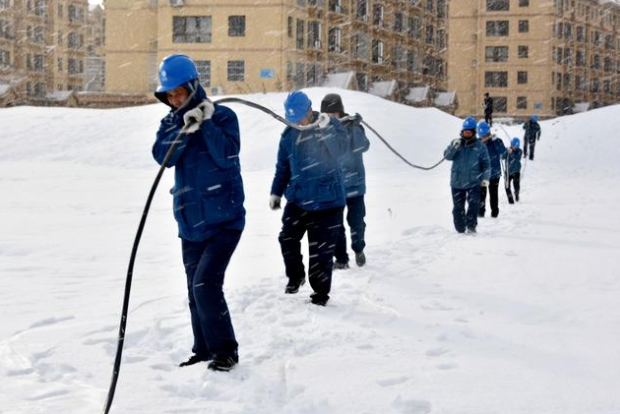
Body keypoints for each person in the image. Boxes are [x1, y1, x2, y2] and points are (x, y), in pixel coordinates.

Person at [152, 54, 244, 372]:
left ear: (193, 87)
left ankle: (225, 352)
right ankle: (203, 350)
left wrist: (205, 124)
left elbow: (227, 155)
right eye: (170, 95)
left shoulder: (223, 117)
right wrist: (183, 127)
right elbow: (162, 156)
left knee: (205, 285)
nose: (175, 100)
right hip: (191, 223)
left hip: (225, 221)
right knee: (195, 291)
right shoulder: (172, 121)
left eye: (179, 92)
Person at [270, 91, 348, 306]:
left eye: (300, 117)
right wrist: (276, 191)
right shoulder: (289, 135)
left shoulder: (330, 126)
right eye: (292, 118)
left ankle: (320, 295)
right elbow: (282, 167)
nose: (297, 122)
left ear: (310, 110)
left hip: (327, 201)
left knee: (320, 251)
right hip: (298, 198)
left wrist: (327, 131)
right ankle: (296, 276)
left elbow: (341, 151)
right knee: (286, 238)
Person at [320, 93, 370, 270]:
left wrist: (355, 126)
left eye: (336, 114)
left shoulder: (352, 126)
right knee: (336, 225)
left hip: (355, 184)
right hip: (335, 186)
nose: (333, 117)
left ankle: (358, 249)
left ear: (341, 112)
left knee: (356, 221)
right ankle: (341, 259)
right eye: (329, 114)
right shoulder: (321, 129)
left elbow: (362, 146)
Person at [444, 117, 491, 234]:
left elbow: (486, 164)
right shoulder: (456, 144)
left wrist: (485, 178)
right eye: (465, 132)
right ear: (462, 131)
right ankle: (460, 229)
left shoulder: (480, 146)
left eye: (469, 132)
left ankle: (471, 227)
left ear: (474, 132)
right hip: (457, 182)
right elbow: (447, 156)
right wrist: (453, 147)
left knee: (473, 205)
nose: (467, 134)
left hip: (474, 182)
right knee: (457, 208)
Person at [477, 121, 506, 218]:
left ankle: (494, 213)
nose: (483, 138)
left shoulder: (496, 142)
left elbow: (503, 153)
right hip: (482, 175)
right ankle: (480, 213)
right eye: (481, 136)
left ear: (488, 133)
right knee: (481, 195)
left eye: (485, 135)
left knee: (493, 195)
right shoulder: (477, 143)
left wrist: (496, 141)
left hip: (494, 174)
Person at [502, 138, 523, 204]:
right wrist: (506, 152)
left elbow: (517, 159)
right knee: (507, 185)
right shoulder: (507, 150)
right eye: (513, 146)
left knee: (516, 185)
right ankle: (510, 198)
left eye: (516, 146)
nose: (514, 147)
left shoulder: (519, 151)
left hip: (516, 171)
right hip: (508, 171)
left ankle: (516, 193)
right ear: (511, 144)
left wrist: (511, 153)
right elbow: (502, 157)